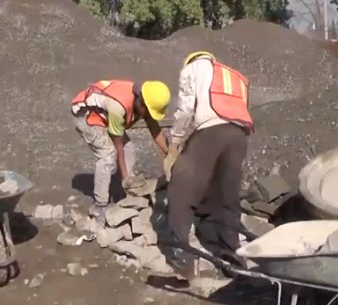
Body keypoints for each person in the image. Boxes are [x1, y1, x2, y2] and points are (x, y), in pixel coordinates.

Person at [163, 51, 252, 280]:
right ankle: (232, 255)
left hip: (212, 131)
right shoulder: (235, 76)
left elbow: (186, 110)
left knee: (182, 185)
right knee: (225, 196)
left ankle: (181, 254)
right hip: (239, 135)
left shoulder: (193, 68)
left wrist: (174, 145)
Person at [71, 80, 171, 224]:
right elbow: (117, 144)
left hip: (104, 112)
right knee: (108, 155)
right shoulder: (119, 106)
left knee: (129, 148)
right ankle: (100, 206)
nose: (148, 116)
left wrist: (170, 153)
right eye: (148, 112)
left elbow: (155, 131)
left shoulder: (144, 100)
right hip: (85, 114)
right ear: (140, 102)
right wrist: (125, 176)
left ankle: (127, 192)